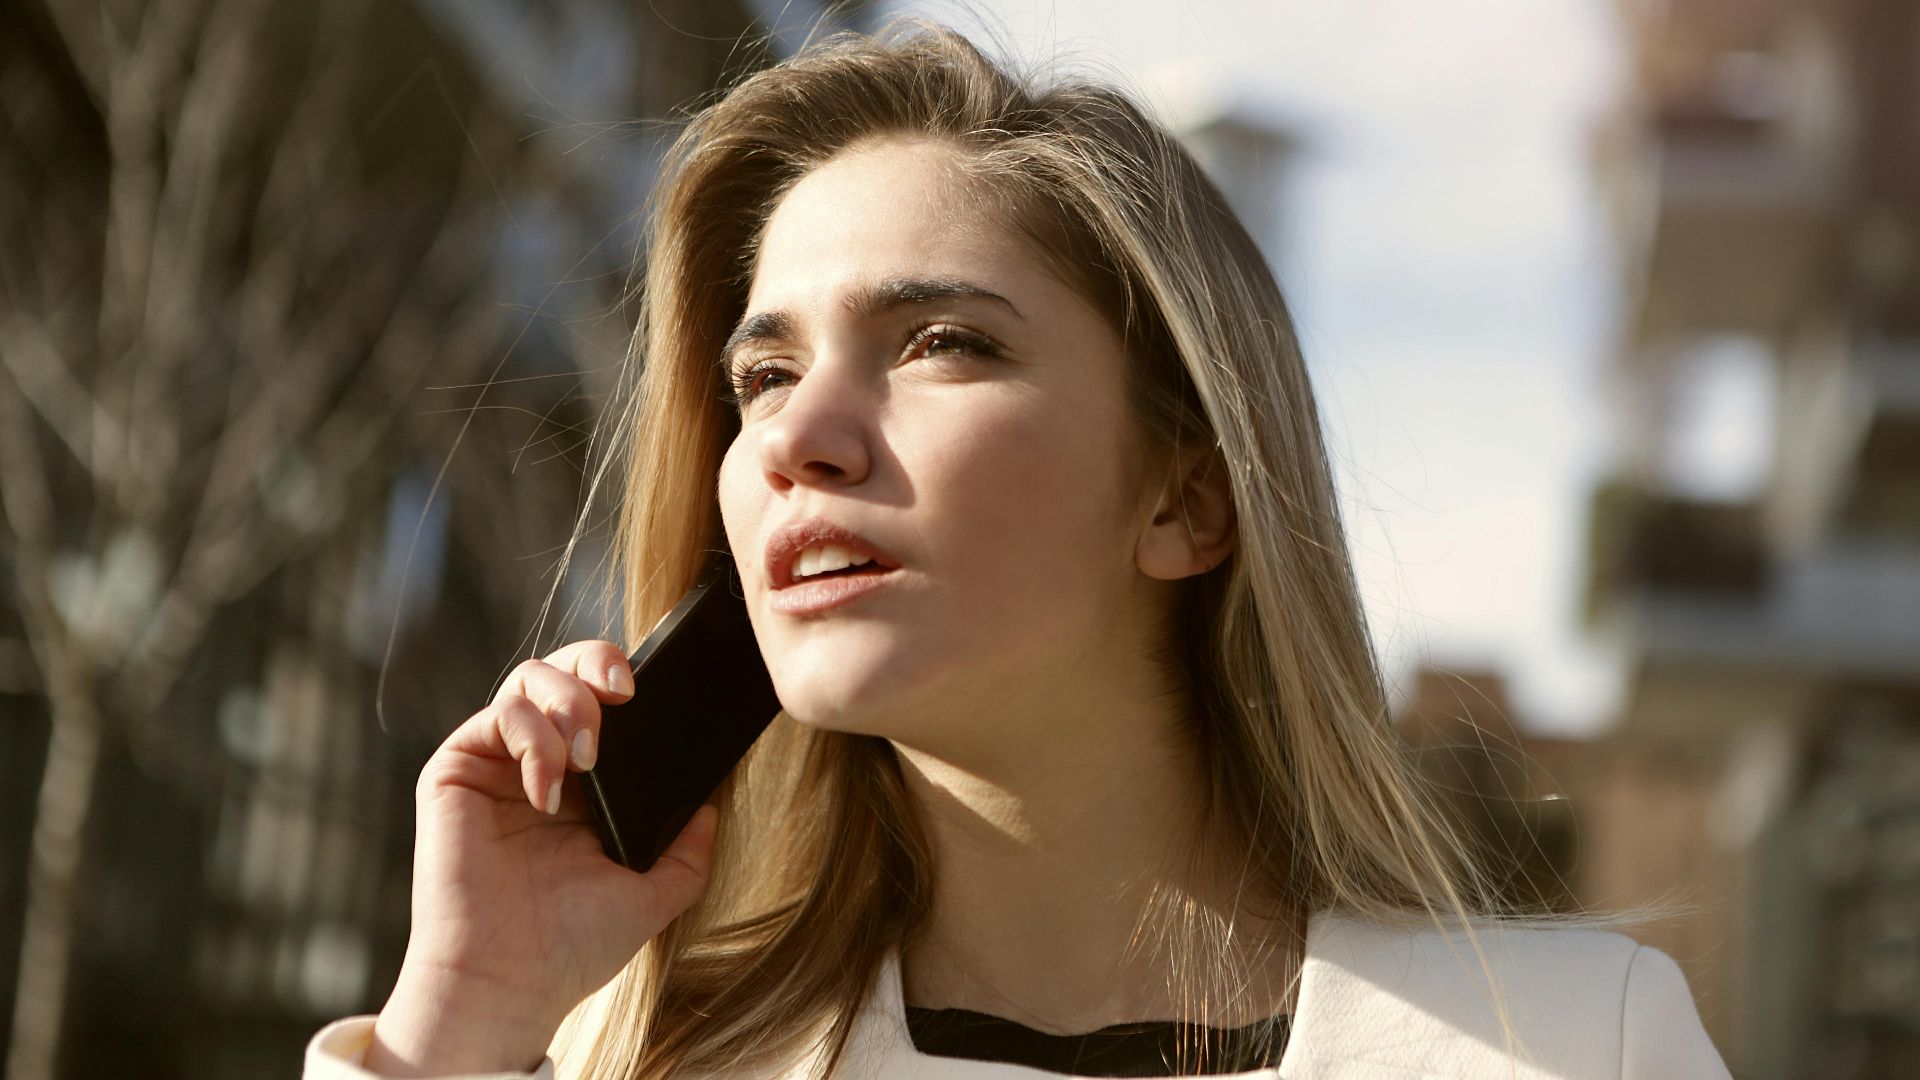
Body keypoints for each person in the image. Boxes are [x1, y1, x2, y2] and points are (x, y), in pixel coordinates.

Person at [304, 15, 1732, 1080]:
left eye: (940, 342)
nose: (805, 435)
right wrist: (467, 1016)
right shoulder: (637, 1051)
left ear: (1189, 502)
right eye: (762, 377)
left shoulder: (1577, 1046)